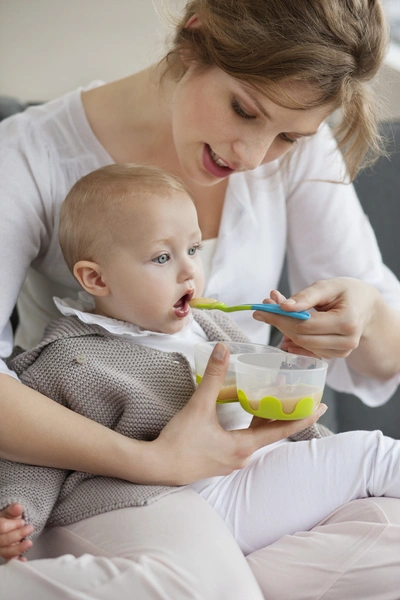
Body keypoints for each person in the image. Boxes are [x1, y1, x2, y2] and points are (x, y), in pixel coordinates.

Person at [1, 1, 400, 598]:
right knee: (208, 582)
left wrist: (362, 310)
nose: (252, 156)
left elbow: (386, 357)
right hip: (117, 486)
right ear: (197, 37)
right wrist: (157, 461)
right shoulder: (26, 156)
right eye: (244, 109)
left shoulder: (299, 151)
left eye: (288, 136)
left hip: (248, 483)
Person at [2, 162, 400, 563]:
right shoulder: (68, 360)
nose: (189, 269)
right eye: (162, 258)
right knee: (371, 455)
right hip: (199, 500)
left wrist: (288, 365)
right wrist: (17, 511)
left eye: (193, 249)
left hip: (256, 477)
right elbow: (39, 452)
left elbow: (264, 404)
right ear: (97, 280)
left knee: (372, 527)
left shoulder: (211, 324)